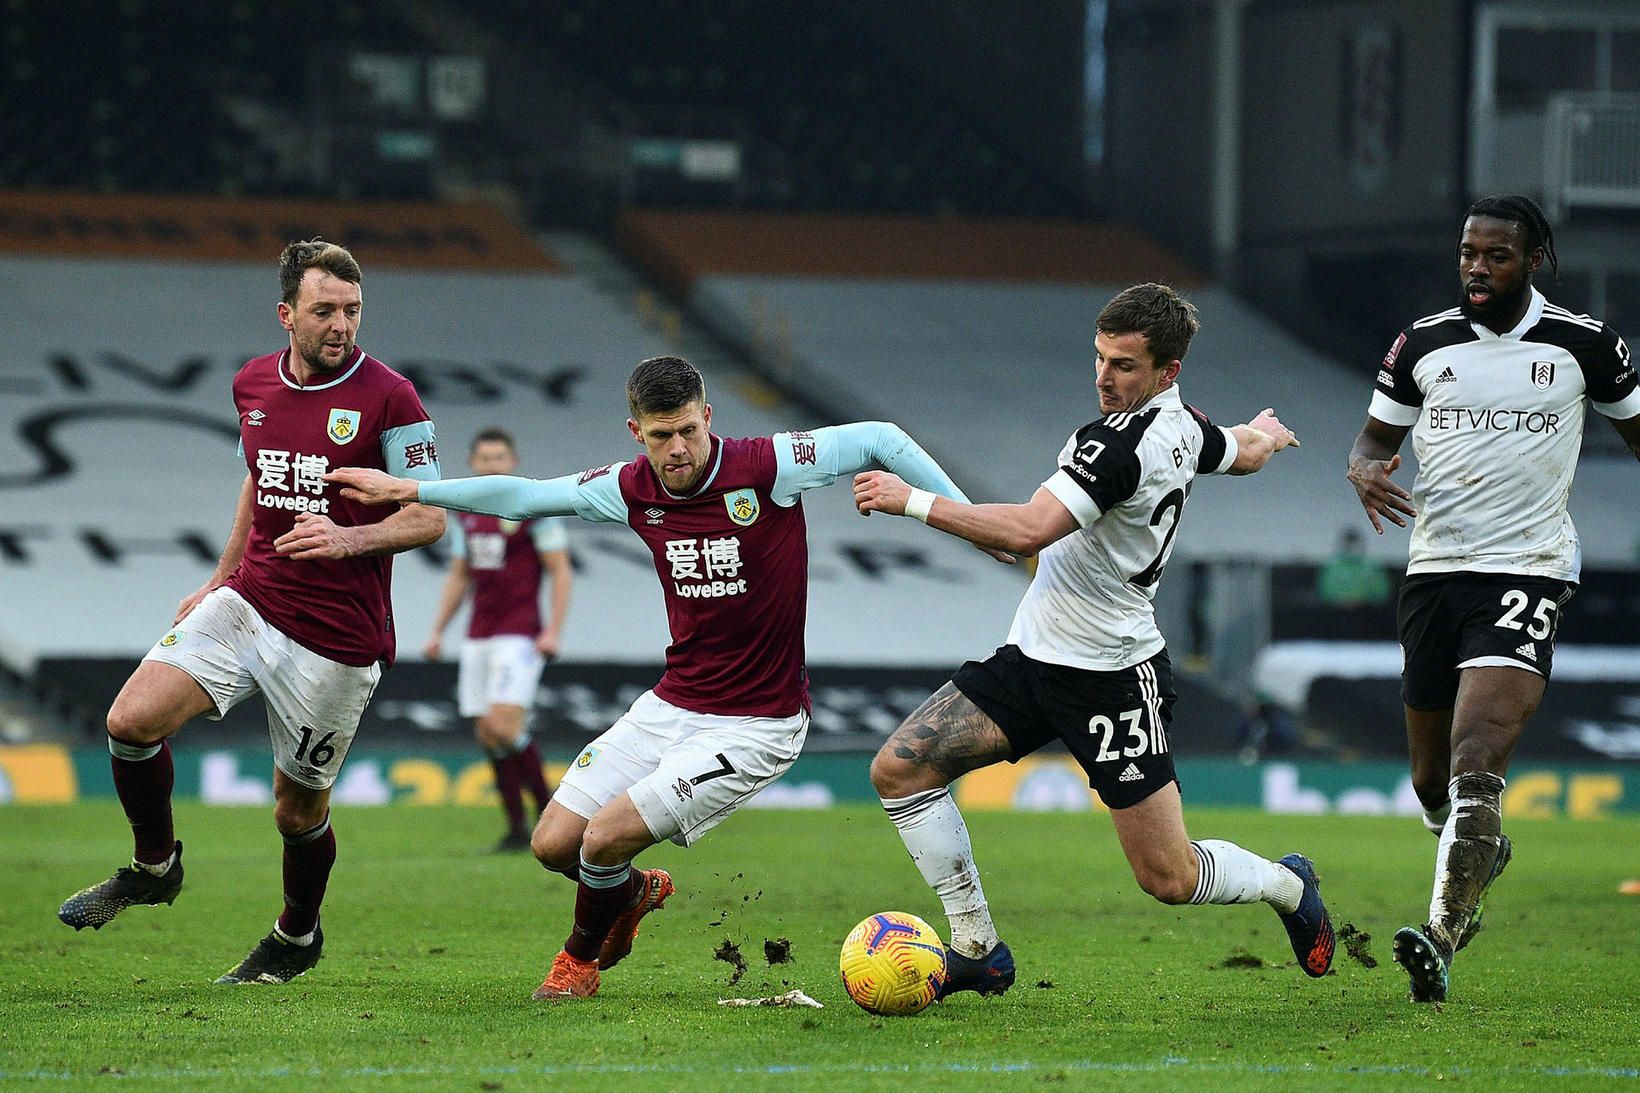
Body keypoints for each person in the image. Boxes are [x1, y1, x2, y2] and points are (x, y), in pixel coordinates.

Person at [327, 355, 998, 1001]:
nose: (677, 448)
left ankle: (577, 963)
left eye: (688, 430)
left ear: (709, 416)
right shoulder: (629, 488)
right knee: (553, 842)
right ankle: (631, 891)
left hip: (757, 723)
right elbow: (527, 497)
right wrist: (412, 488)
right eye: (660, 435)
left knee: (602, 837)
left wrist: (972, 520)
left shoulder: (768, 467)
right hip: (672, 703)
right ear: (635, 433)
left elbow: (881, 437)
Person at [853, 282, 1333, 998]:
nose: (1105, 377)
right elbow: (1244, 450)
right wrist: (1267, 432)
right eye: (1101, 358)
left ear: (1168, 371)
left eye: (1126, 365)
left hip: (1110, 674)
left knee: (1167, 877)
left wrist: (909, 500)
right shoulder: (1187, 427)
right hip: (1033, 658)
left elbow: (1024, 532)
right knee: (900, 769)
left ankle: (1288, 885)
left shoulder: (1116, 445)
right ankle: (978, 949)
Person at [57, 240, 446, 984]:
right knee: (128, 722)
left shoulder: (394, 399)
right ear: (286, 314)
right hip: (251, 599)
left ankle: (296, 937)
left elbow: (431, 518)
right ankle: (154, 864)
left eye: (353, 310)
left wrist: (349, 535)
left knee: (295, 813)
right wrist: (218, 578)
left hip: (337, 640)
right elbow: (256, 480)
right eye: (325, 310)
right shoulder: (252, 384)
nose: (341, 325)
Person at [1346, 194, 1640, 1003]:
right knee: (1431, 778)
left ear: (1534, 258)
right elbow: (1376, 438)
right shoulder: (1423, 342)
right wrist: (1364, 467)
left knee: (1480, 758)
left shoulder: (1586, 346)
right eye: (1468, 252)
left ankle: (1439, 937)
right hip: (1434, 569)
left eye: (1496, 255)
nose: (1477, 267)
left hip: (1528, 567)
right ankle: (1477, 854)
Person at [425, 428, 573, 851]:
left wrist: (553, 630)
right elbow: (459, 576)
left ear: (513, 462)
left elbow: (560, 570)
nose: (492, 465)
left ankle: (551, 816)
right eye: (485, 458)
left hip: (520, 633)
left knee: (503, 727)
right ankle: (515, 830)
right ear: (474, 464)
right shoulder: (466, 517)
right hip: (478, 635)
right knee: (487, 735)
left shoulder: (531, 512)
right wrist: (438, 630)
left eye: (500, 458)